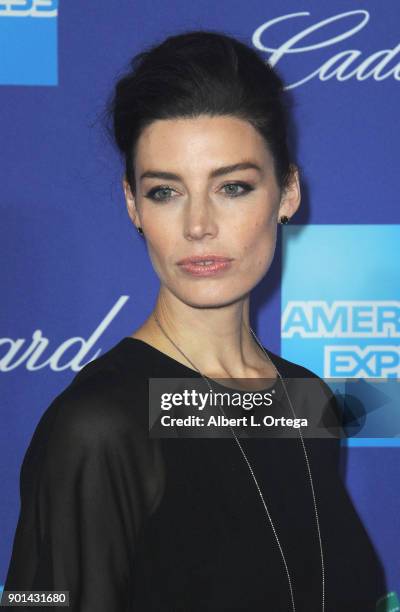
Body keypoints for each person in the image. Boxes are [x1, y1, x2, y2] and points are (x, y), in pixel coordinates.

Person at [3, 31, 386, 611]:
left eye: (232, 186)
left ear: (287, 192)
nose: (199, 225)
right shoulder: (100, 428)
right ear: (133, 205)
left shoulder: (305, 401)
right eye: (165, 192)